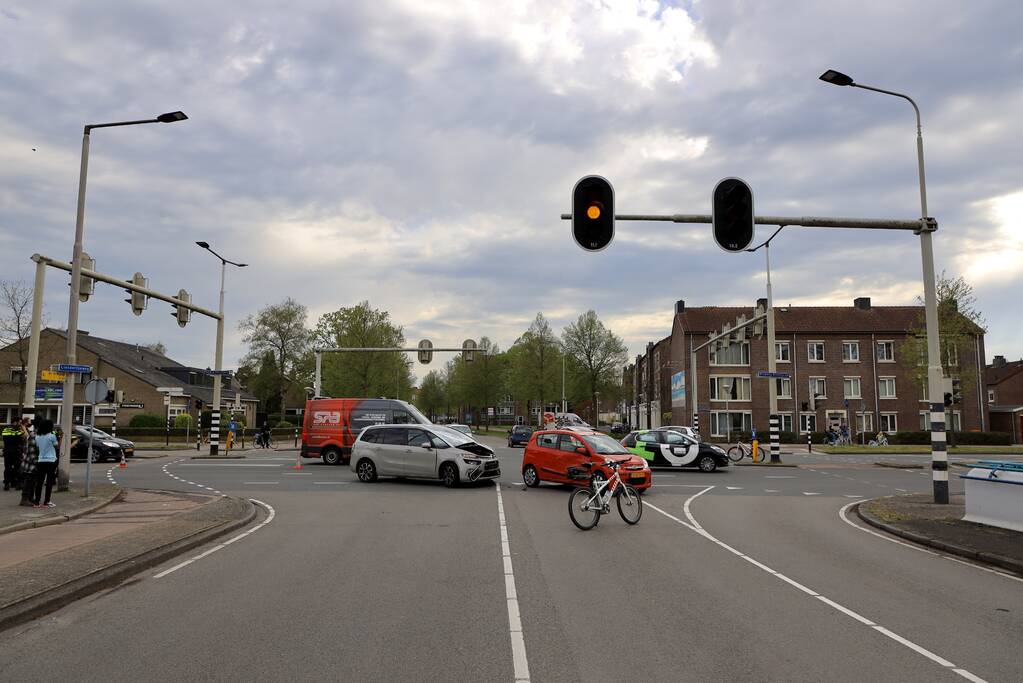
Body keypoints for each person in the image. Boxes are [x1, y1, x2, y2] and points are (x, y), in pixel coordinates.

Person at [32, 419, 59, 508]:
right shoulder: (52, 436)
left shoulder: (37, 437)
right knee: (49, 482)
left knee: (39, 482)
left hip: (41, 461)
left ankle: (36, 502)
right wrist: (60, 438)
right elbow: (57, 446)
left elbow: (38, 447)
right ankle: (46, 501)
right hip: (51, 461)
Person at [3, 418, 26, 491]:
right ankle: (18, 484)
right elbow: (25, 436)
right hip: (16, 451)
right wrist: (23, 428)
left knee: (7, 468)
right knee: (17, 467)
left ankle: (7, 484)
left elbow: (5, 439)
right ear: (15, 422)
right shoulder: (17, 431)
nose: (20, 424)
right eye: (19, 423)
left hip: (7, 451)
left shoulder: (5, 430)